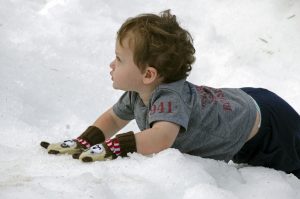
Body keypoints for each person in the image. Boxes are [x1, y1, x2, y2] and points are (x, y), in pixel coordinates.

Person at [41, 10, 300, 178]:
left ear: (149, 75)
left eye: (119, 60)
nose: (111, 65)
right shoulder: (137, 95)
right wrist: (84, 141)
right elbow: (113, 119)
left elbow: (161, 137)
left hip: (269, 128)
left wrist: (115, 147)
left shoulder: (168, 100)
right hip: (243, 103)